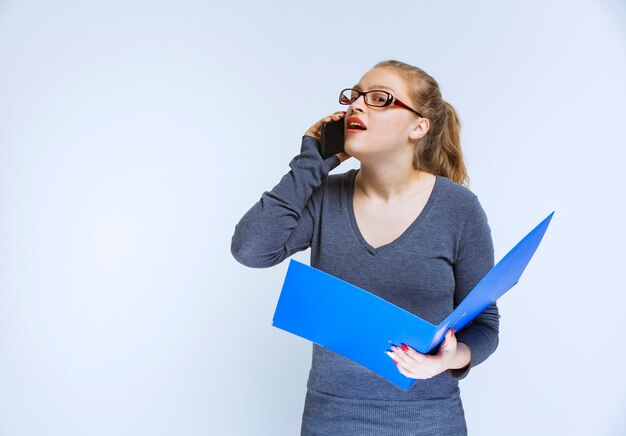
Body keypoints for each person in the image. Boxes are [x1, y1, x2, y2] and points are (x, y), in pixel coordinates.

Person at [231, 60, 499, 435]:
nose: (356, 105)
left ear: (418, 126)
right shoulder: (325, 198)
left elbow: (485, 325)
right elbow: (251, 249)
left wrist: (452, 358)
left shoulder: (459, 209)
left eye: (378, 99)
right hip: (329, 421)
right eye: (353, 97)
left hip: (428, 422)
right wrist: (313, 161)